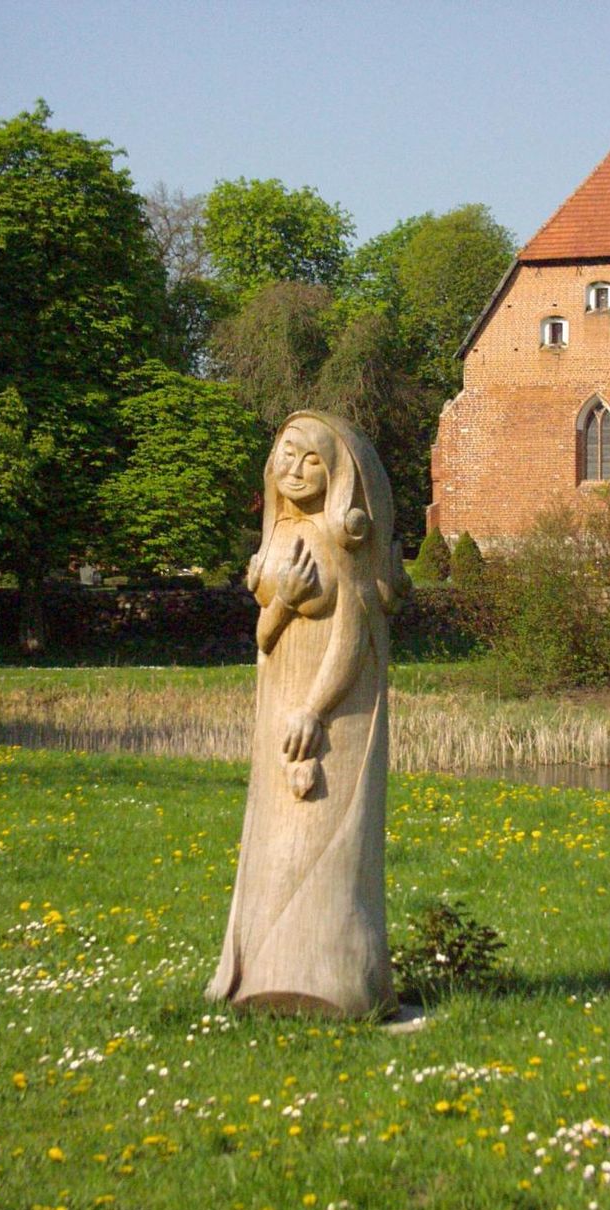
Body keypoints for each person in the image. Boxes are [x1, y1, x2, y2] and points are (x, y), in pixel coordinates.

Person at [207, 411, 409, 1017]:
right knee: (278, 839)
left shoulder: (332, 543)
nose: (295, 469)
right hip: (279, 709)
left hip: (323, 721)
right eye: (287, 455)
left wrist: (316, 712)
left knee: (320, 841)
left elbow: (352, 638)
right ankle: (265, 971)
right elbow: (265, 639)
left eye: (312, 459)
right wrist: (286, 603)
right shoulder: (279, 540)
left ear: (339, 474)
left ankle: (333, 981)